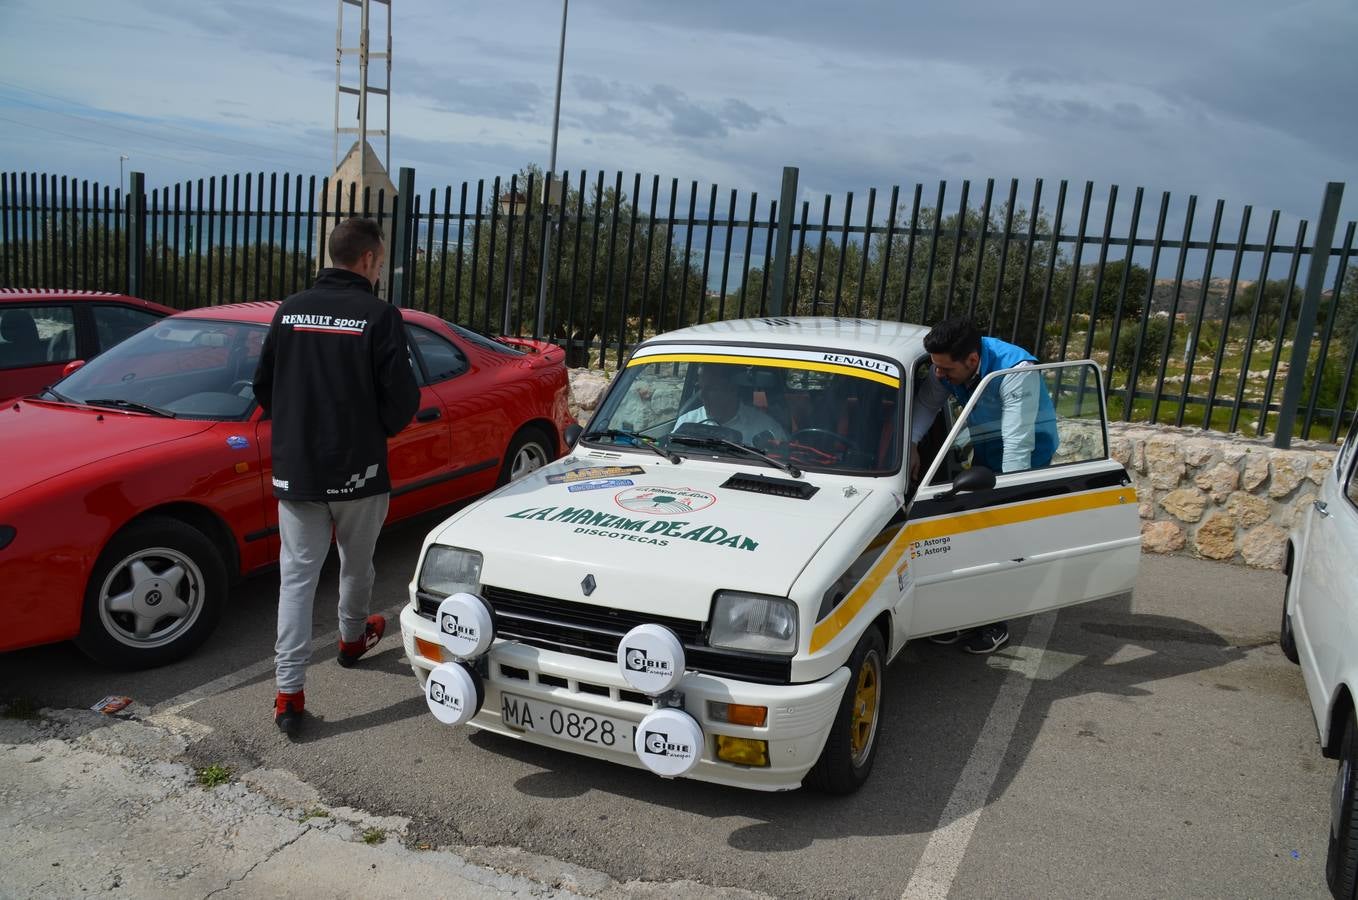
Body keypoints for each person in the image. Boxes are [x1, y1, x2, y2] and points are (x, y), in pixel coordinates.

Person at [253, 217, 421, 735]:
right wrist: (376, 430)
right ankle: (352, 640)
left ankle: (288, 692)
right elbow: (402, 399)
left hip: (298, 471)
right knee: (356, 561)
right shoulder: (378, 315)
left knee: (297, 578)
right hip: (359, 470)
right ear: (369, 260)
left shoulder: (290, 311)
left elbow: (264, 387)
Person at [909, 316, 1059, 655]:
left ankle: (994, 621)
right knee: (974, 532)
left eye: (946, 370)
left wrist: (1009, 499)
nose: (939, 375)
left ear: (972, 361)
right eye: (936, 368)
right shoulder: (948, 366)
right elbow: (927, 405)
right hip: (988, 446)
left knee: (1001, 538)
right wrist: (912, 444)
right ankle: (958, 616)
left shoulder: (1016, 370)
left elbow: (1018, 442)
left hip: (1028, 455)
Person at [674, 364, 788, 445]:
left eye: (711, 389)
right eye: (700, 388)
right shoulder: (687, 421)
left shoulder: (766, 428)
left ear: (732, 389)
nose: (702, 396)